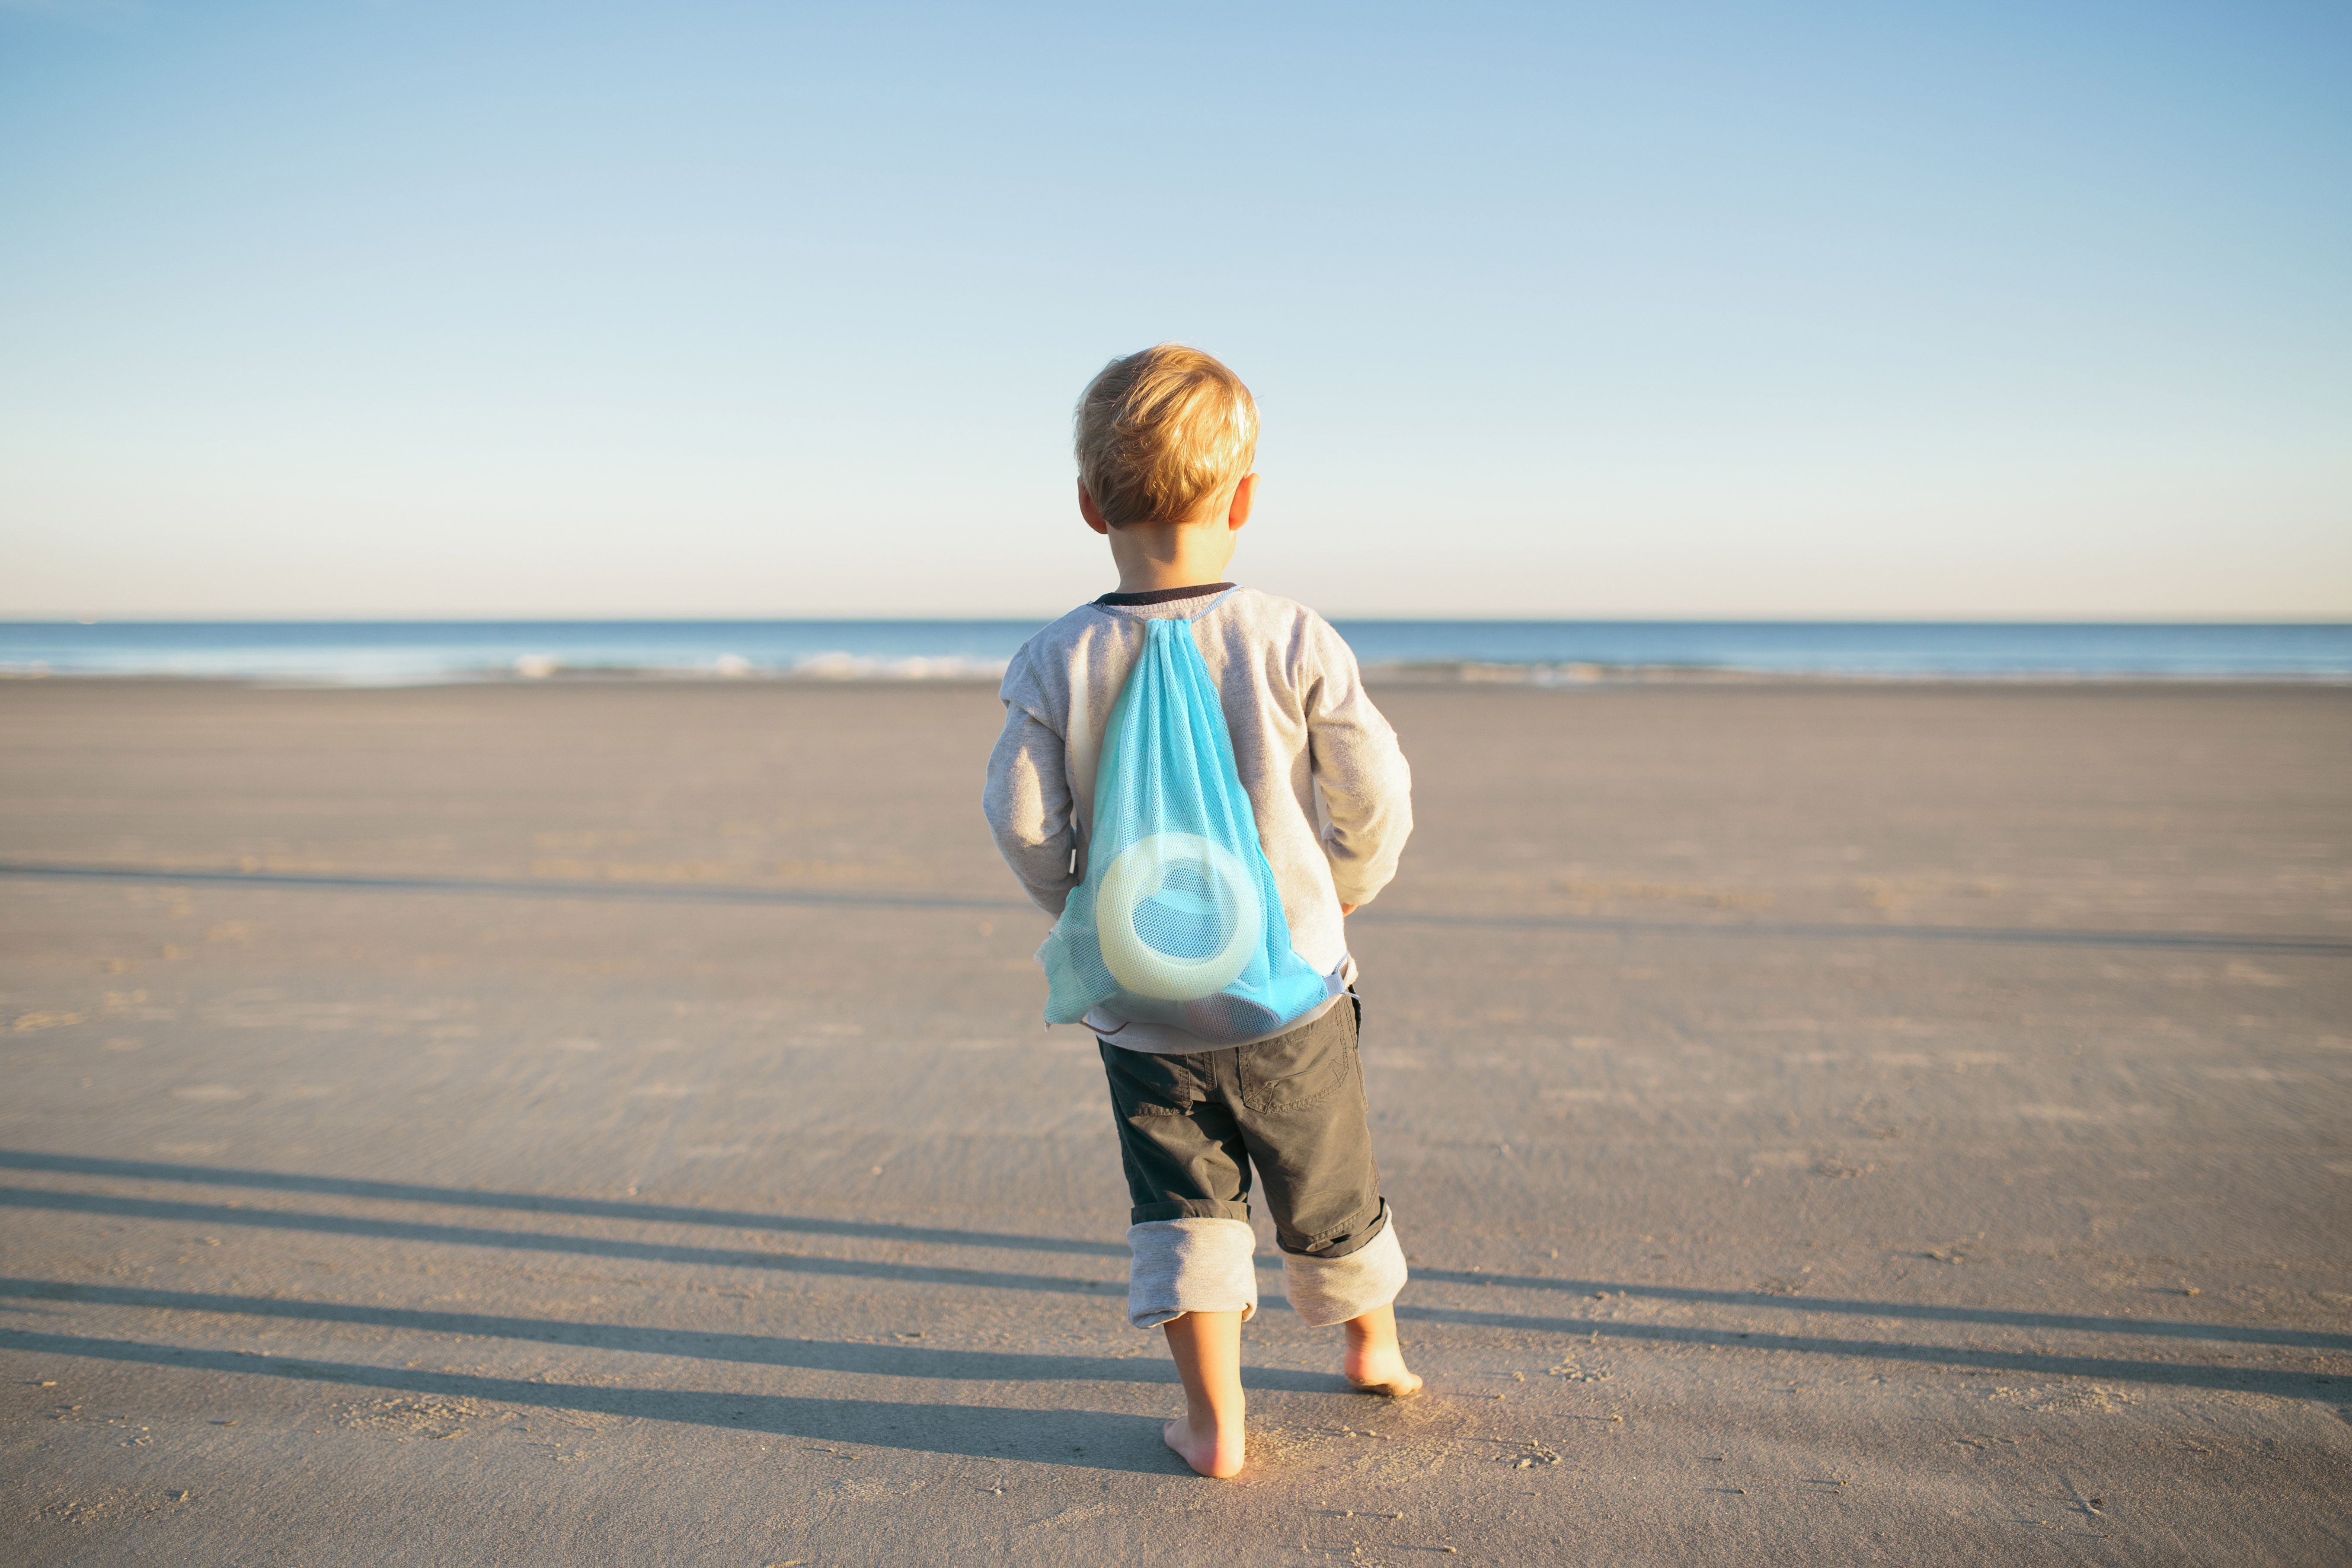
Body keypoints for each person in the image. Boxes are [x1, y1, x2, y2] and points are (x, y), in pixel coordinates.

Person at [983, 344, 1419, 1479]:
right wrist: (1348, 882)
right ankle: (1371, 1341)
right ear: (1245, 498)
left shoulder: (1056, 657)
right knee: (1332, 1176)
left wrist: (1082, 907)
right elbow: (1373, 787)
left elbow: (1023, 816)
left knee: (1183, 1205)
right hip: (1293, 992)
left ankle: (1215, 1420)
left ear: (1089, 506)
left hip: (1143, 1004)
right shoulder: (1290, 636)